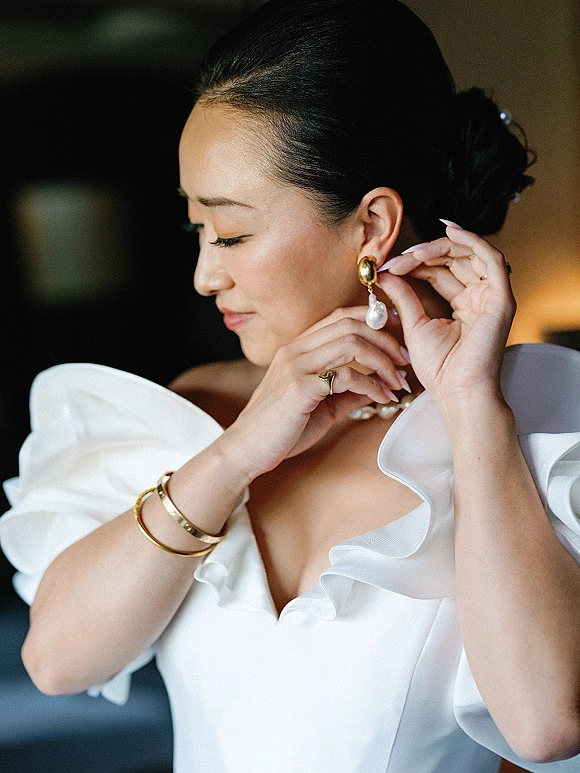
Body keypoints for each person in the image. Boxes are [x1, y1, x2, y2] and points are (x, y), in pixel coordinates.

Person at [2, 1, 580, 771]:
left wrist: (472, 408)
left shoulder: (540, 429)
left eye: (234, 231)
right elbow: (57, 661)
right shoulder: (192, 411)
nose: (207, 274)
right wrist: (237, 453)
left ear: (373, 226)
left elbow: (546, 724)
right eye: (196, 230)